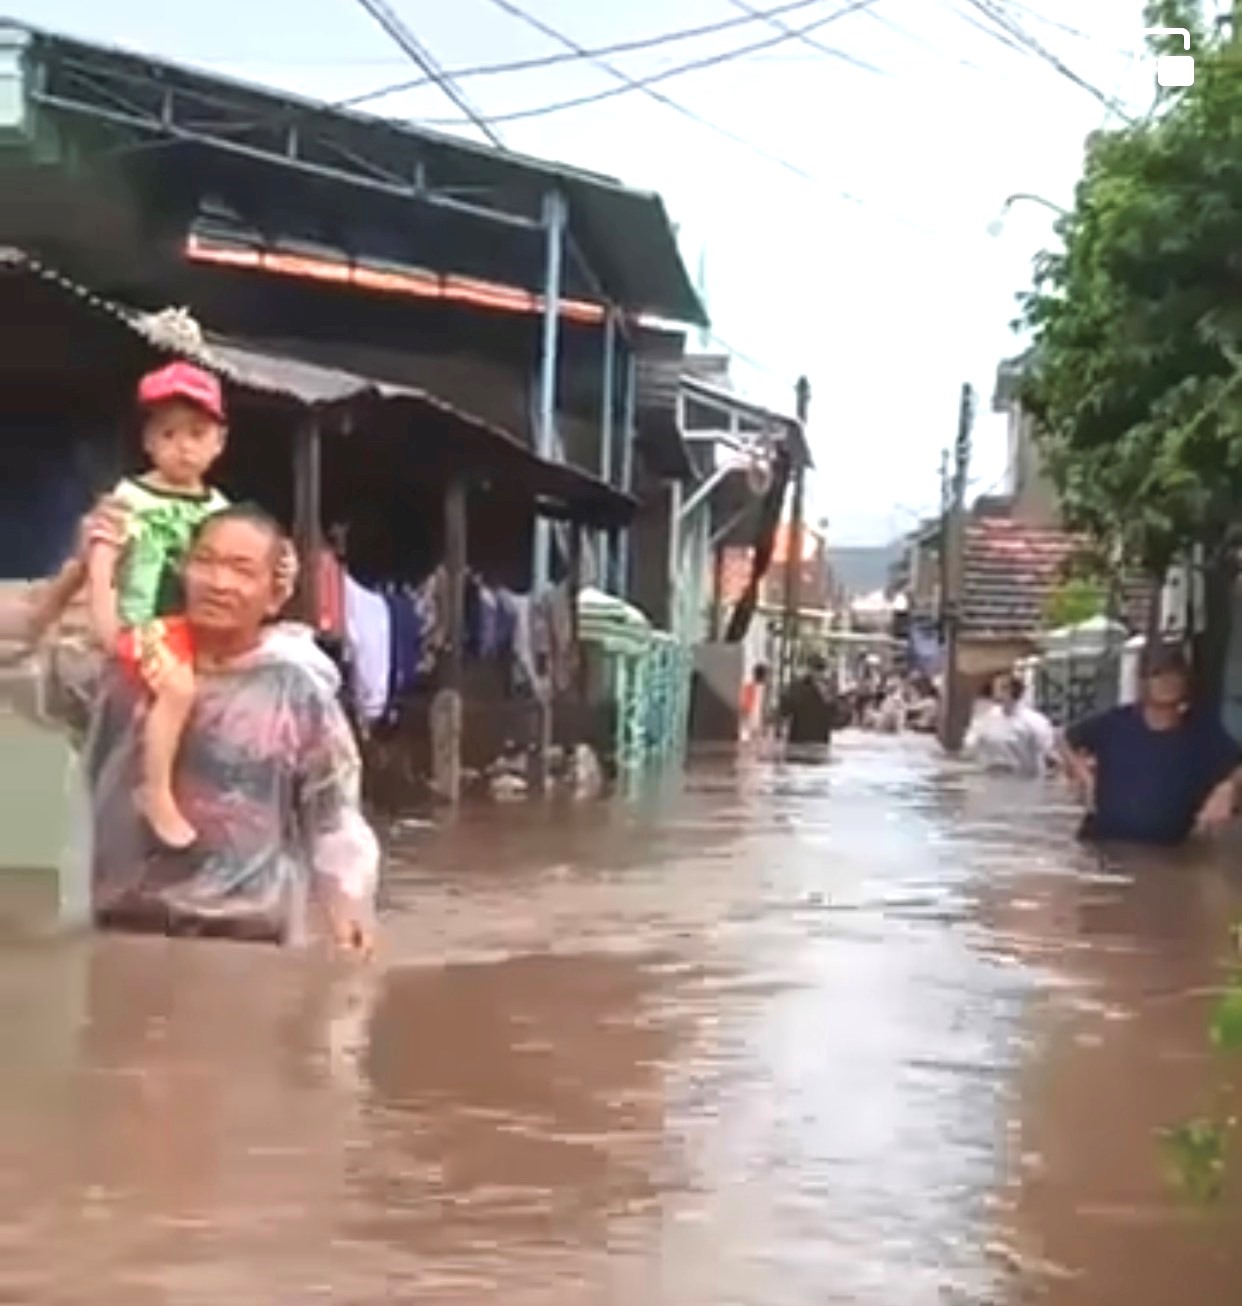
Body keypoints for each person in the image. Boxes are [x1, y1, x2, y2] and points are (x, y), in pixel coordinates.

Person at [21, 503, 377, 950]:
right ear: (184, 571)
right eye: (205, 562)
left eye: (242, 569)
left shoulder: (295, 693)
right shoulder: (123, 672)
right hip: (122, 933)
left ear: (274, 593)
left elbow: (333, 817)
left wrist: (348, 912)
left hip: (246, 942)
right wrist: (81, 570)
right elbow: (16, 659)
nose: (219, 583)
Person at [86, 362, 231, 854]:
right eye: (169, 434)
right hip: (145, 623)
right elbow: (102, 561)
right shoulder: (129, 498)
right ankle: (155, 791)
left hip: (198, 630)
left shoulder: (218, 510)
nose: (184, 446)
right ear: (148, 441)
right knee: (178, 688)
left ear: (219, 442)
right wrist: (108, 626)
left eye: (197, 433)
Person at [1060, 645, 1242, 846]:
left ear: (1186, 681)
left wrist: (1228, 788)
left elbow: (1237, 764)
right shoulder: (1114, 723)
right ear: (1142, 682)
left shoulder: (1202, 734)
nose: (1167, 682)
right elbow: (1065, 738)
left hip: (1169, 853)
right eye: (1157, 675)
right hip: (1103, 844)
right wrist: (1083, 776)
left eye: (1175, 674)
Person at [965, 673, 1056, 777]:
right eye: (996, 688)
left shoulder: (1034, 721)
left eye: (1003, 688)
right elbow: (971, 744)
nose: (997, 692)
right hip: (993, 778)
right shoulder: (985, 718)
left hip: (1025, 779)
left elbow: (1047, 751)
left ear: (1013, 691)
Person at [779, 654, 837, 748]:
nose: (818, 673)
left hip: (818, 741)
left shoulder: (828, 689)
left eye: (820, 669)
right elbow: (785, 709)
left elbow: (836, 718)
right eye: (817, 669)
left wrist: (827, 698)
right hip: (800, 740)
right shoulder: (797, 687)